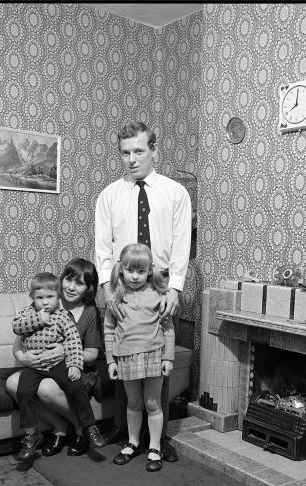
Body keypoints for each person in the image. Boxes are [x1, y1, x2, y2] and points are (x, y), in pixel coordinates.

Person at [95, 120, 191, 462]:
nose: (131, 159)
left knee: (156, 361)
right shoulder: (109, 195)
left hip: (160, 282)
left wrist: (175, 289)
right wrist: (108, 289)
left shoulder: (175, 193)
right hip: (122, 284)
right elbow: (103, 248)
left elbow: (182, 245)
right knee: (124, 354)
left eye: (138, 151)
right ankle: (127, 432)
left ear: (153, 151)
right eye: (125, 152)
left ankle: (158, 439)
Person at [6, 258, 104, 458]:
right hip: (38, 365)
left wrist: (64, 352)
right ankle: (57, 427)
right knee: (13, 384)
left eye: (80, 283)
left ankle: (81, 428)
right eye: (69, 280)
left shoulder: (87, 312)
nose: (72, 287)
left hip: (73, 366)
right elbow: (19, 338)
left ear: (88, 288)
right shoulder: (44, 300)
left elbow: (91, 353)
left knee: (46, 388)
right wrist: (23, 358)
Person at [104, 243, 174, 472]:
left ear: (150, 271)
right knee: (133, 403)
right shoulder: (115, 296)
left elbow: (168, 327)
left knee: (152, 404)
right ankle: (133, 442)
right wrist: (111, 361)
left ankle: (154, 447)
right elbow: (108, 330)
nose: (135, 276)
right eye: (130, 270)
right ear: (121, 269)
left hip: (154, 354)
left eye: (141, 271)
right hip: (125, 357)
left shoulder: (158, 294)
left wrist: (168, 358)